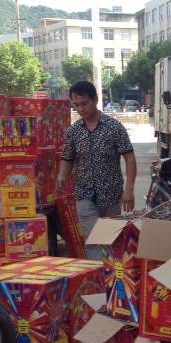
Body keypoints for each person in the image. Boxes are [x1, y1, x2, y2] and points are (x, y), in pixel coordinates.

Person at [57, 80, 137, 255]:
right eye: (76, 105)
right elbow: (67, 157)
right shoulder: (74, 131)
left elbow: (130, 158)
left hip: (112, 195)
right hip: (84, 194)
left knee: (110, 242)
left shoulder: (114, 127)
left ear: (95, 99)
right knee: (93, 242)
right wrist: (62, 176)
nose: (81, 109)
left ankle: (111, 272)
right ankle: (99, 272)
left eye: (84, 103)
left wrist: (129, 190)